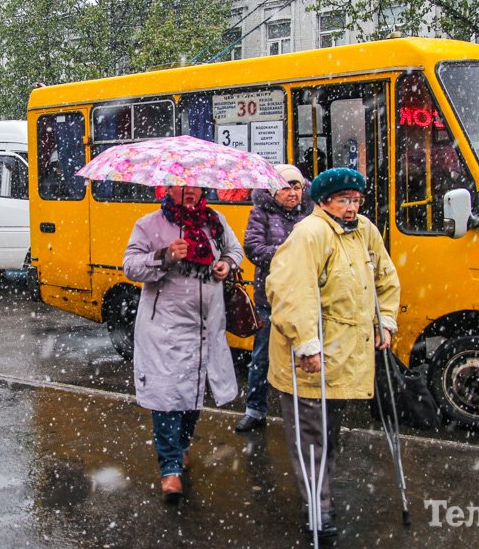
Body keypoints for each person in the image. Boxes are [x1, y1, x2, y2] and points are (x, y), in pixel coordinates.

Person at [265, 167, 401, 538]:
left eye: (356, 200)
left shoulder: (364, 230)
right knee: (312, 438)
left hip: (345, 358)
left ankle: (320, 496)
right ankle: (318, 510)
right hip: (311, 359)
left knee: (329, 435)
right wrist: (306, 345)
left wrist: (385, 321)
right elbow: (292, 293)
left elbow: (385, 277)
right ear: (324, 202)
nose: (352, 208)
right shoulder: (309, 234)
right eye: (344, 201)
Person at [122, 184, 244, 503]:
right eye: (182, 186)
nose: (190, 191)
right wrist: (164, 256)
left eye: (195, 186)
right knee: (167, 397)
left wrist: (226, 264)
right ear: (168, 188)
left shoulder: (215, 221)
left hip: (205, 326)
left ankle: (181, 446)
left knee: (192, 394)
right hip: (165, 328)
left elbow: (235, 251)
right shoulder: (149, 224)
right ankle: (170, 468)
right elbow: (130, 266)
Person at [235, 164, 311, 432]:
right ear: (273, 191)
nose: (292, 193)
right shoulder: (261, 212)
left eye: (296, 187)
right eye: (285, 188)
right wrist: (288, 254)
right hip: (270, 298)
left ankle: (304, 413)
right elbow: (253, 248)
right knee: (262, 357)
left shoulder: (311, 213)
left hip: (304, 298)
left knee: (306, 356)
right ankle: (255, 410)